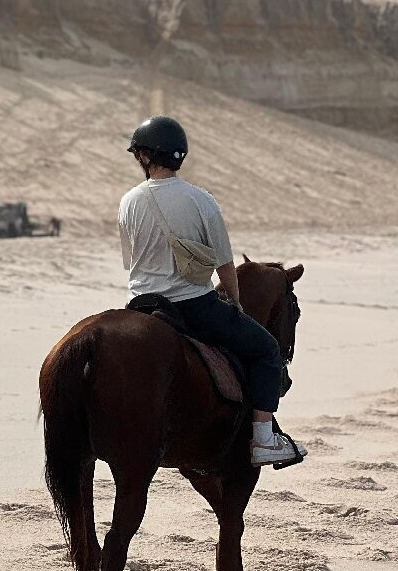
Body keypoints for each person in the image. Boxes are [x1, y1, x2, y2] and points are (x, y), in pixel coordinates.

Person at [118, 115, 307, 467]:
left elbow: (130, 260)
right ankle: (265, 440)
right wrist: (233, 303)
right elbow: (224, 263)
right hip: (192, 304)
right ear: (179, 157)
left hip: (140, 305)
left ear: (145, 156)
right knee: (265, 349)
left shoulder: (128, 201)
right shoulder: (200, 199)